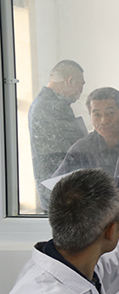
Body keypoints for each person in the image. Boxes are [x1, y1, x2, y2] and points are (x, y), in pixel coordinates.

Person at [28, 59, 87, 210]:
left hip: (52, 188)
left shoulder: (41, 102)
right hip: (61, 190)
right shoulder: (55, 106)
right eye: (81, 84)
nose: (81, 91)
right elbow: (76, 147)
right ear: (70, 81)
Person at [54, 87, 119, 178]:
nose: (104, 120)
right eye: (97, 115)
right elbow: (58, 182)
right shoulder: (81, 149)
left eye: (110, 113)